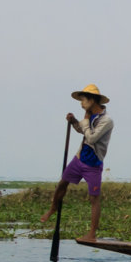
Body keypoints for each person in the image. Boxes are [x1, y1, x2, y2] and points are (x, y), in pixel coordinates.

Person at [40, 84, 113, 242]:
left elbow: (92, 138)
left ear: (92, 100)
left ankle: (91, 234)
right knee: (62, 184)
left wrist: (84, 121)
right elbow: (83, 131)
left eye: (83, 100)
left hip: (93, 164)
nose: (81, 104)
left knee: (94, 198)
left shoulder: (106, 121)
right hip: (79, 159)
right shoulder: (89, 117)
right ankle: (53, 208)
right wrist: (74, 122)